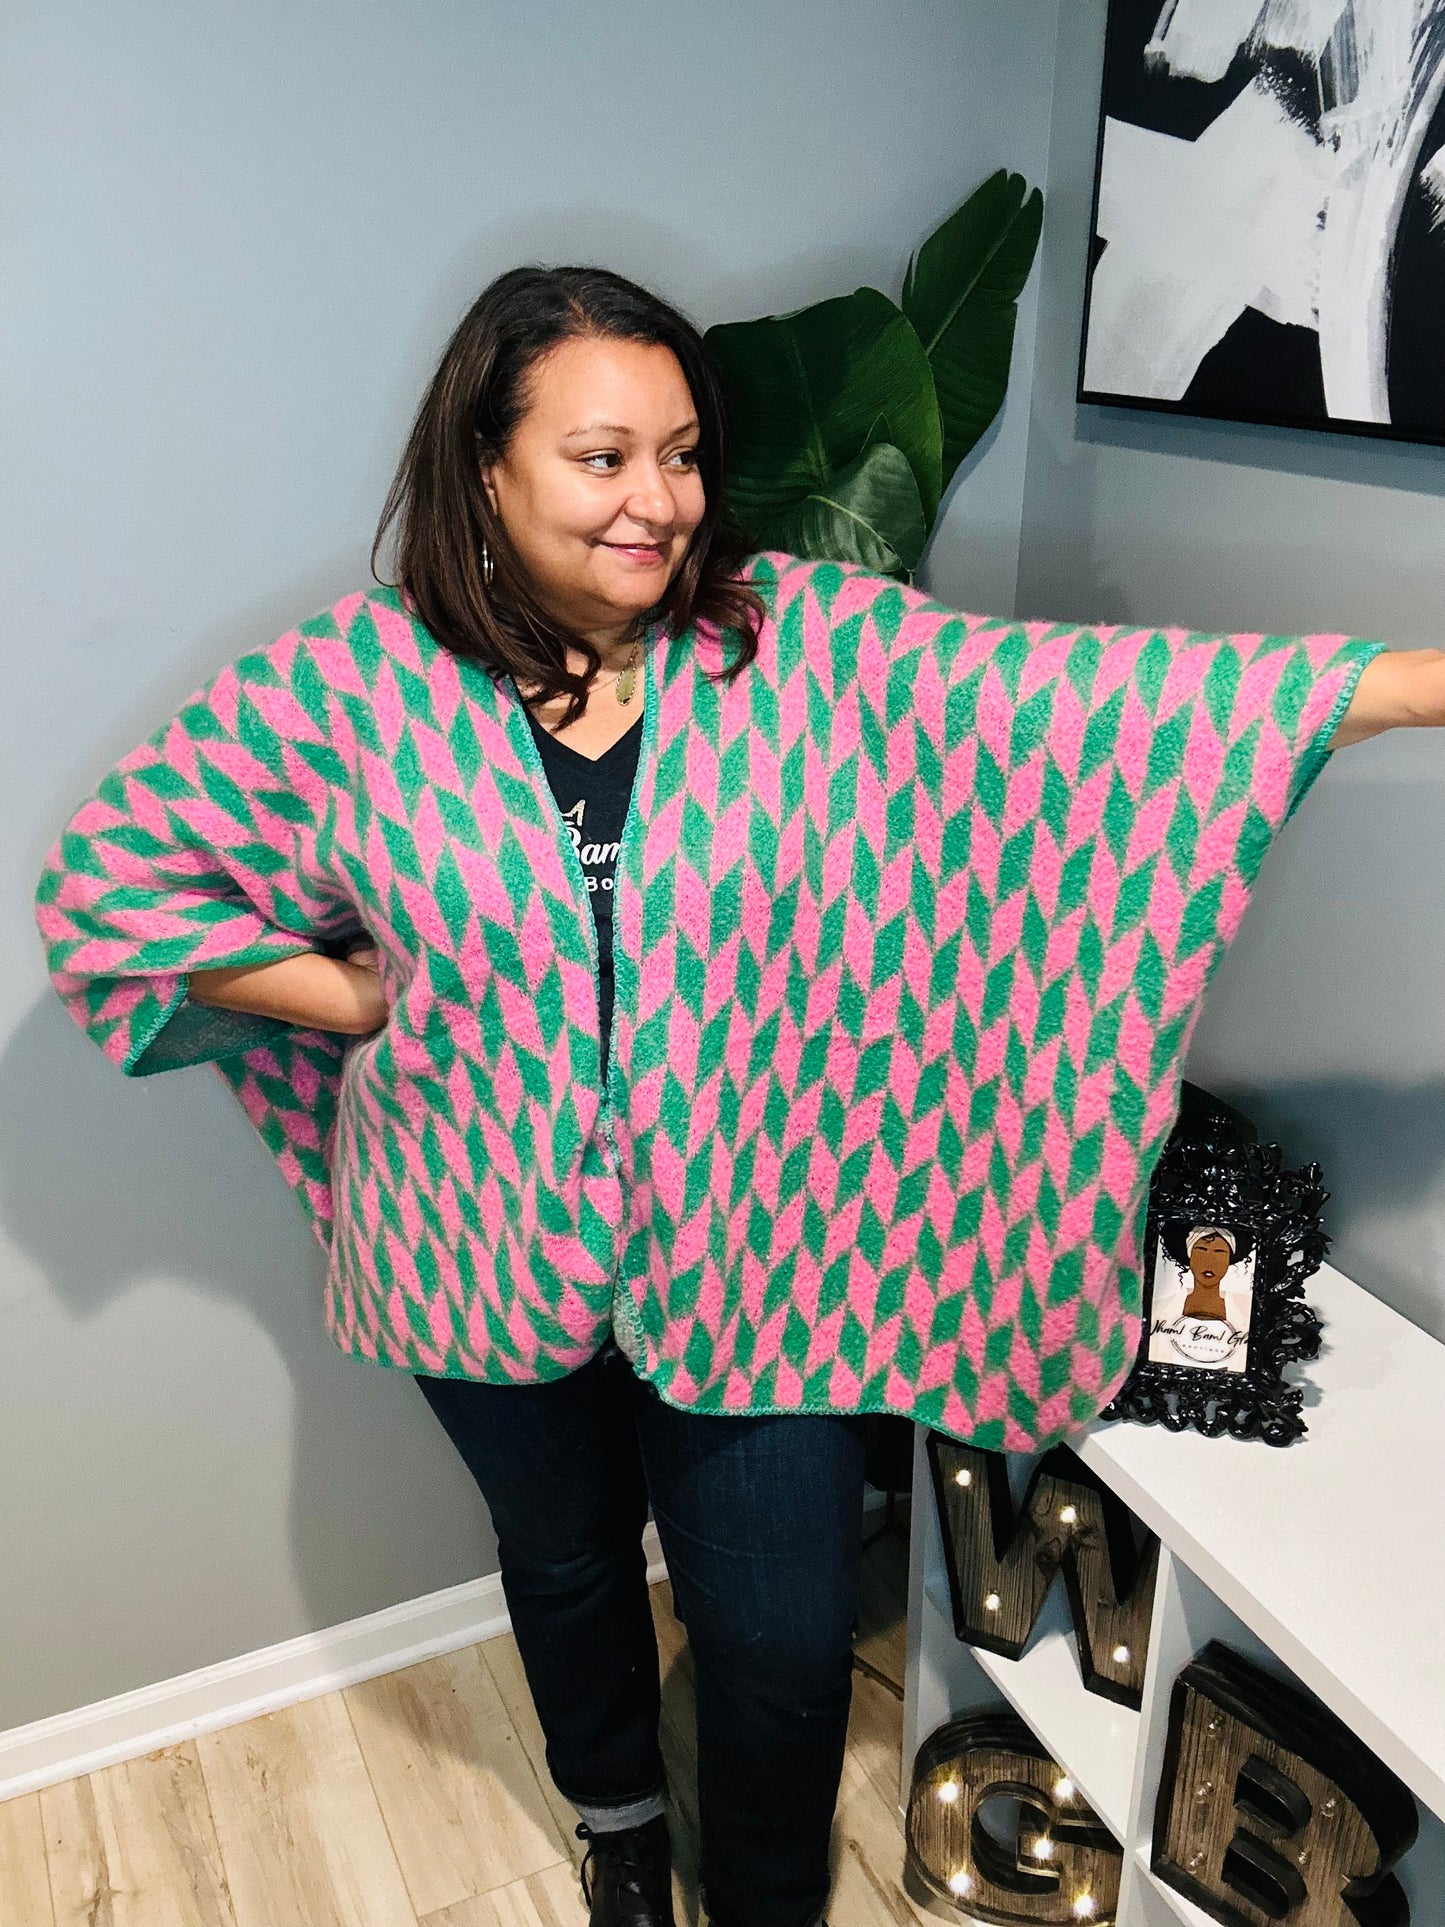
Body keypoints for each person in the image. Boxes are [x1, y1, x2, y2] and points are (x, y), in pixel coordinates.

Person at [33, 265, 1445, 1927]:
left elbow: (1098, 712)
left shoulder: (801, 642)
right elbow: (109, 893)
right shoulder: (346, 693)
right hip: (463, 1239)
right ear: (484, 468)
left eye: (684, 455)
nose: (659, 502)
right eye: (603, 456)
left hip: (766, 1252)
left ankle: (763, 1895)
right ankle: (620, 1825)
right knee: (563, 1570)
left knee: (776, 1636)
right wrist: (344, 991)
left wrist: (1417, 685)